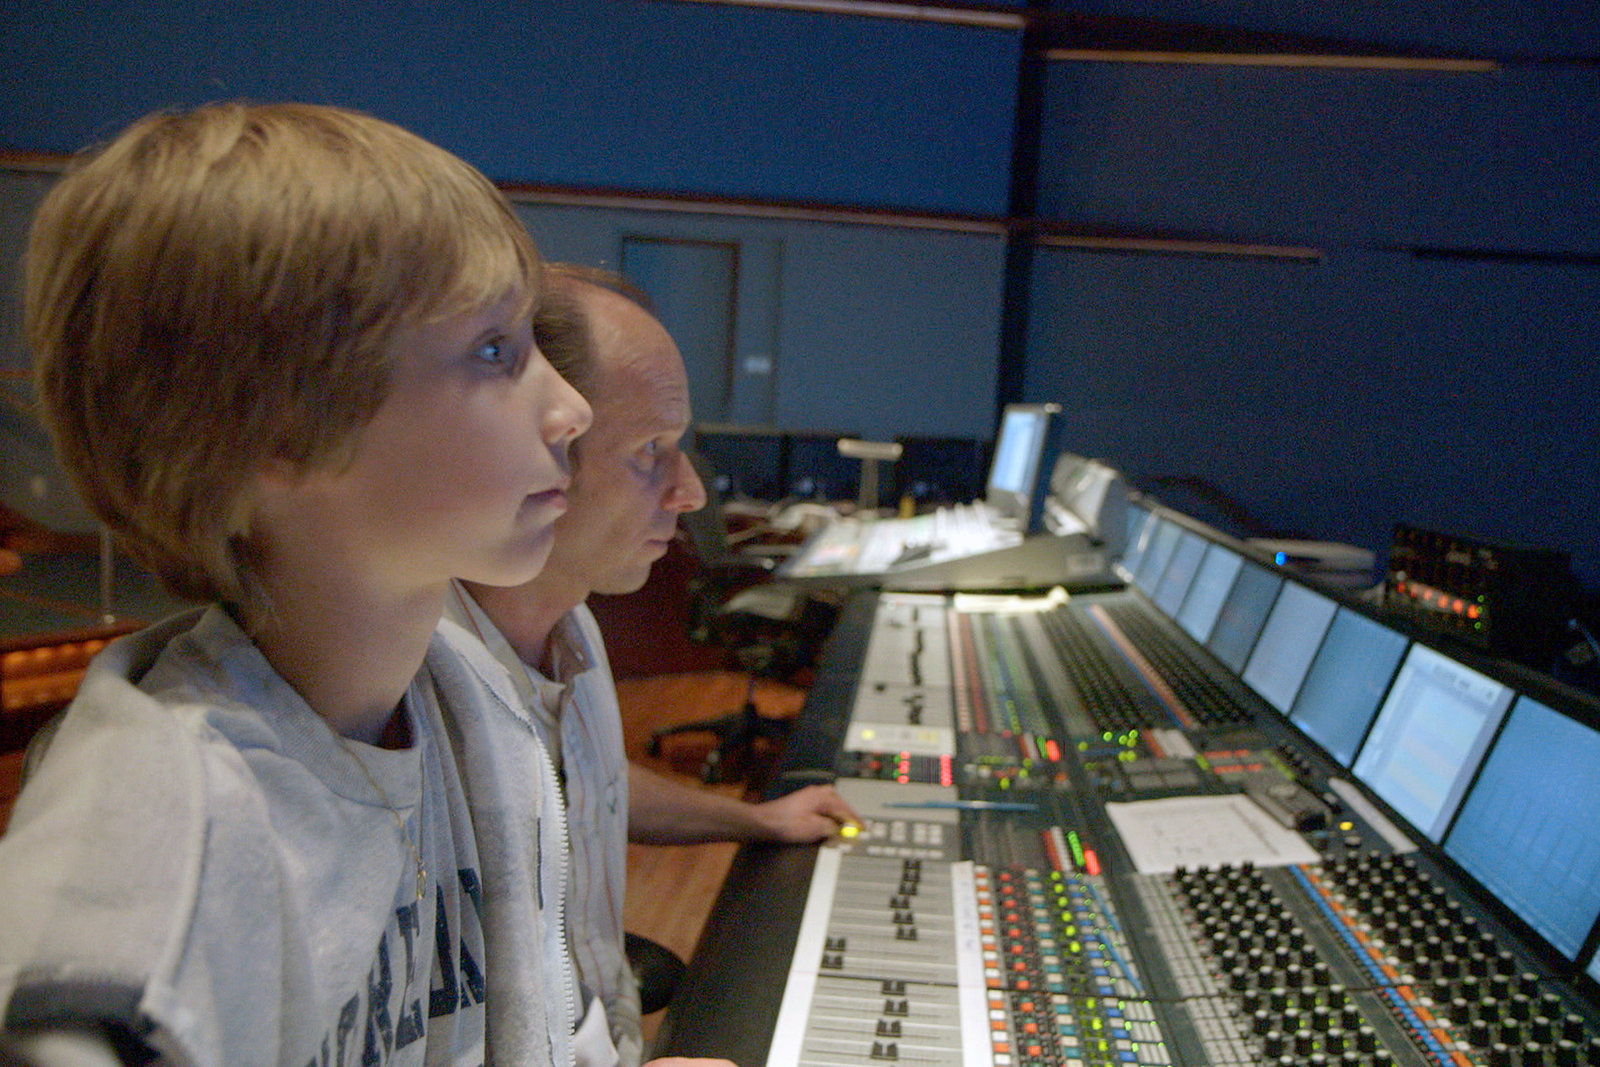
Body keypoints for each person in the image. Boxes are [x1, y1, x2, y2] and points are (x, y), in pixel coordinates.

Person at [0, 102, 723, 1067]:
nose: (571, 408)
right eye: (496, 351)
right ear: (277, 428)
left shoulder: (480, 721)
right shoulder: (140, 885)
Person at [446, 266, 861, 1066]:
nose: (691, 492)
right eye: (651, 452)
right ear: (533, 454)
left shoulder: (574, 626)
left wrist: (757, 820)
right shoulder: (413, 696)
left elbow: (592, 781)